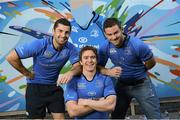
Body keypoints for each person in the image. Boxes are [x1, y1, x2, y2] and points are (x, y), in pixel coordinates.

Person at [6, 18, 81, 119]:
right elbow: (11, 57)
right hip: (35, 88)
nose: (63, 35)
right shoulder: (40, 44)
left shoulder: (70, 48)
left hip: (54, 88)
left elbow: (78, 67)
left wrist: (70, 73)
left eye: (67, 32)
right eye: (60, 31)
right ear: (53, 31)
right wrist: (27, 73)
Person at [99, 18, 162, 119]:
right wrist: (108, 71)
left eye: (116, 33)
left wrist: (140, 71)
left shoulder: (138, 45)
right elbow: (98, 67)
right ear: (105, 35)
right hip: (122, 85)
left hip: (141, 84)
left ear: (122, 30)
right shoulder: (104, 46)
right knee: (116, 116)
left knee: (155, 117)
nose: (114, 37)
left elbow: (151, 62)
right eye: (109, 35)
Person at [65, 46, 116, 119]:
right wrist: (100, 101)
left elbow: (111, 106)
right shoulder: (73, 81)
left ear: (97, 60)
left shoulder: (106, 79)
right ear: (81, 62)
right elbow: (72, 111)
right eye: (86, 58)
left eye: (93, 57)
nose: (90, 60)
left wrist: (86, 102)